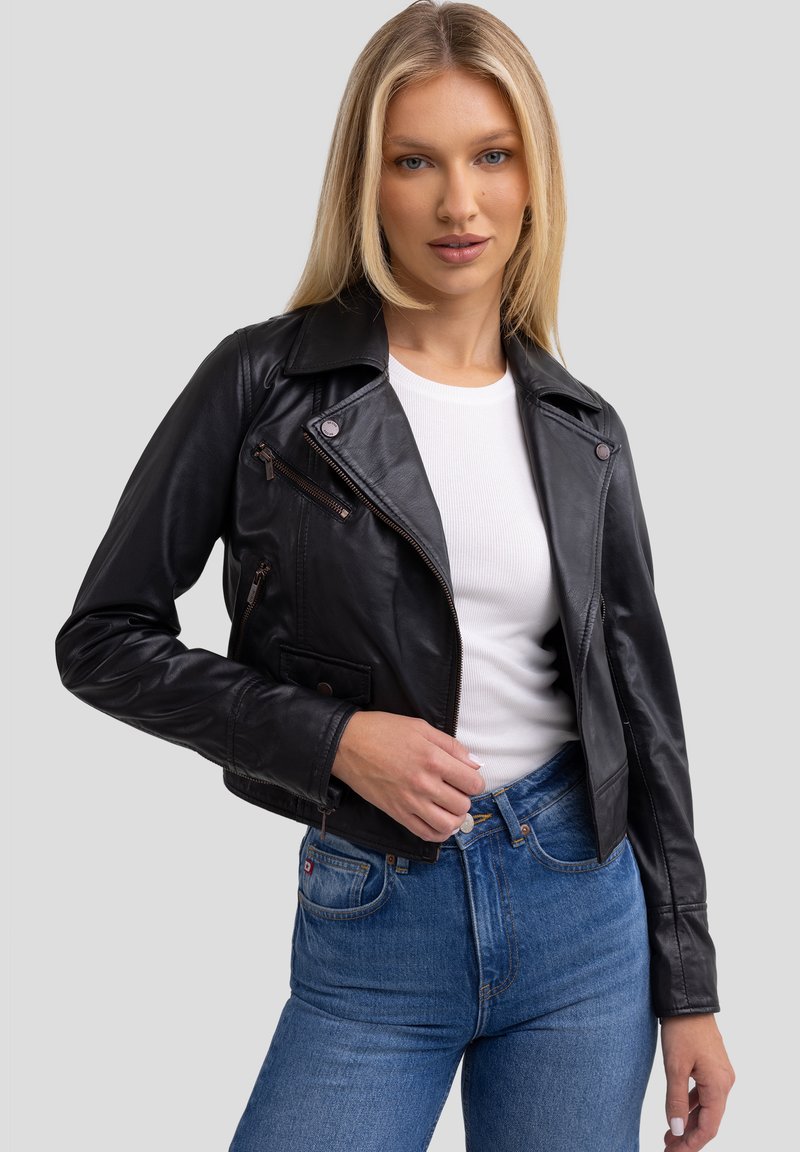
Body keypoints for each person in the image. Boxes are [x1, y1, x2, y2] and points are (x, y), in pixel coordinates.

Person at [54, 2, 735, 1149]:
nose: (458, 202)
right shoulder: (264, 384)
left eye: (490, 157)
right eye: (414, 161)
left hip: (583, 913)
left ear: (533, 177)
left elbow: (642, 716)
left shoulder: (582, 428)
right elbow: (103, 639)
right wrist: (331, 739)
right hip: (375, 912)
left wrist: (690, 988)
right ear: (363, 182)